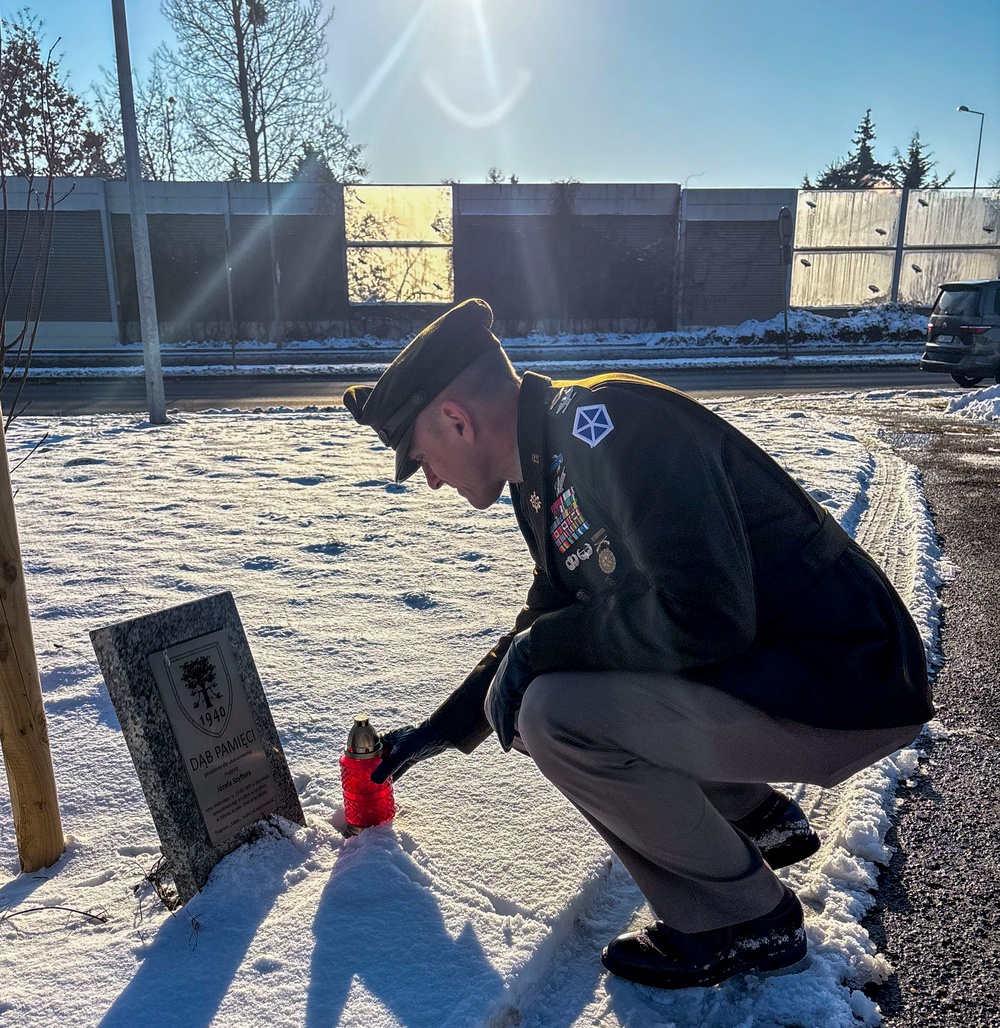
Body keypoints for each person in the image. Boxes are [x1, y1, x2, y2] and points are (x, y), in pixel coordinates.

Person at [343, 299, 932, 989]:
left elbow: (707, 615)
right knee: (531, 695)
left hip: (845, 679)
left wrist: (538, 655)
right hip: (799, 672)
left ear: (455, 419)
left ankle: (742, 918)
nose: (432, 479)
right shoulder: (547, 464)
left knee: (551, 714)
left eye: (421, 459)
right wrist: (440, 730)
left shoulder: (609, 429)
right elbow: (543, 626)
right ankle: (754, 814)